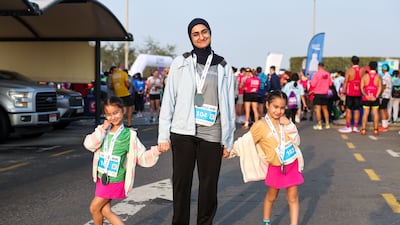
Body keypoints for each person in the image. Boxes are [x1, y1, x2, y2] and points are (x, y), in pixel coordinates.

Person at [157, 18, 236, 225]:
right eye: (196, 33)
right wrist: (163, 135)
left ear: (210, 33)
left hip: (212, 132)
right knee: (181, 185)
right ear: (190, 37)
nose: (201, 37)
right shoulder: (181, 62)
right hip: (183, 131)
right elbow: (169, 99)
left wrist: (228, 140)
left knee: (209, 186)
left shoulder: (223, 66)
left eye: (205, 32)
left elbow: (228, 105)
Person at [83, 96, 161, 225]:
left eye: (115, 113)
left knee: (94, 208)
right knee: (105, 211)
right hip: (102, 177)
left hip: (114, 179)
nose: (113, 117)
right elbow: (90, 145)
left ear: (123, 111)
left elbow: (141, 157)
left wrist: (157, 150)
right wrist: (102, 128)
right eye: (108, 114)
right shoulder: (103, 131)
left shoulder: (128, 135)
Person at [230, 90, 304, 225]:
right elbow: (246, 141)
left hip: (292, 164)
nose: (278, 111)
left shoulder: (286, 122)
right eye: (275, 107)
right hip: (275, 167)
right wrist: (230, 151)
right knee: (271, 196)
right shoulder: (260, 125)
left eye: (282, 108)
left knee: (293, 198)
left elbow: (296, 141)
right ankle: (266, 221)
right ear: (267, 105)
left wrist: (289, 125)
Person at [339, 56, 362, 133]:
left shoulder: (349, 70)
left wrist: (342, 91)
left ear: (351, 62)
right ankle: (355, 127)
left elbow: (345, 81)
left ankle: (348, 126)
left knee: (348, 109)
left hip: (350, 92)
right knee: (356, 109)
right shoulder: (362, 70)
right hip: (358, 92)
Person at [360, 61, 382, 136]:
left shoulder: (365, 76)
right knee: (375, 113)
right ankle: (375, 130)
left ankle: (363, 129)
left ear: (369, 67)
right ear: (376, 67)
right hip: (374, 98)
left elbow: (362, 88)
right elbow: (380, 87)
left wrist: (366, 95)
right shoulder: (378, 76)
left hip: (366, 98)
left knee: (365, 113)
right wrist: (376, 96)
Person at [310, 62, 332, 130]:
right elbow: (330, 84)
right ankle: (327, 124)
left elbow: (313, 84)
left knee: (318, 109)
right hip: (325, 93)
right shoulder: (328, 74)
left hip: (318, 93)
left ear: (318, 66)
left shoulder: (316, 74)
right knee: (325, 109)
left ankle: (319, 124)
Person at [379, 64, 392, 131]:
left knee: (382, 109)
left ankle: (384, 126)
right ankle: (386, 124)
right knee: (385, 109)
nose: (381, 69)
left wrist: (379, 94)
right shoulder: (389, 76)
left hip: (384, 95)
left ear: (384, 69)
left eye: (382, 68)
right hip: (388, 95)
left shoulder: (384, 77)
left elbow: (383, 87)